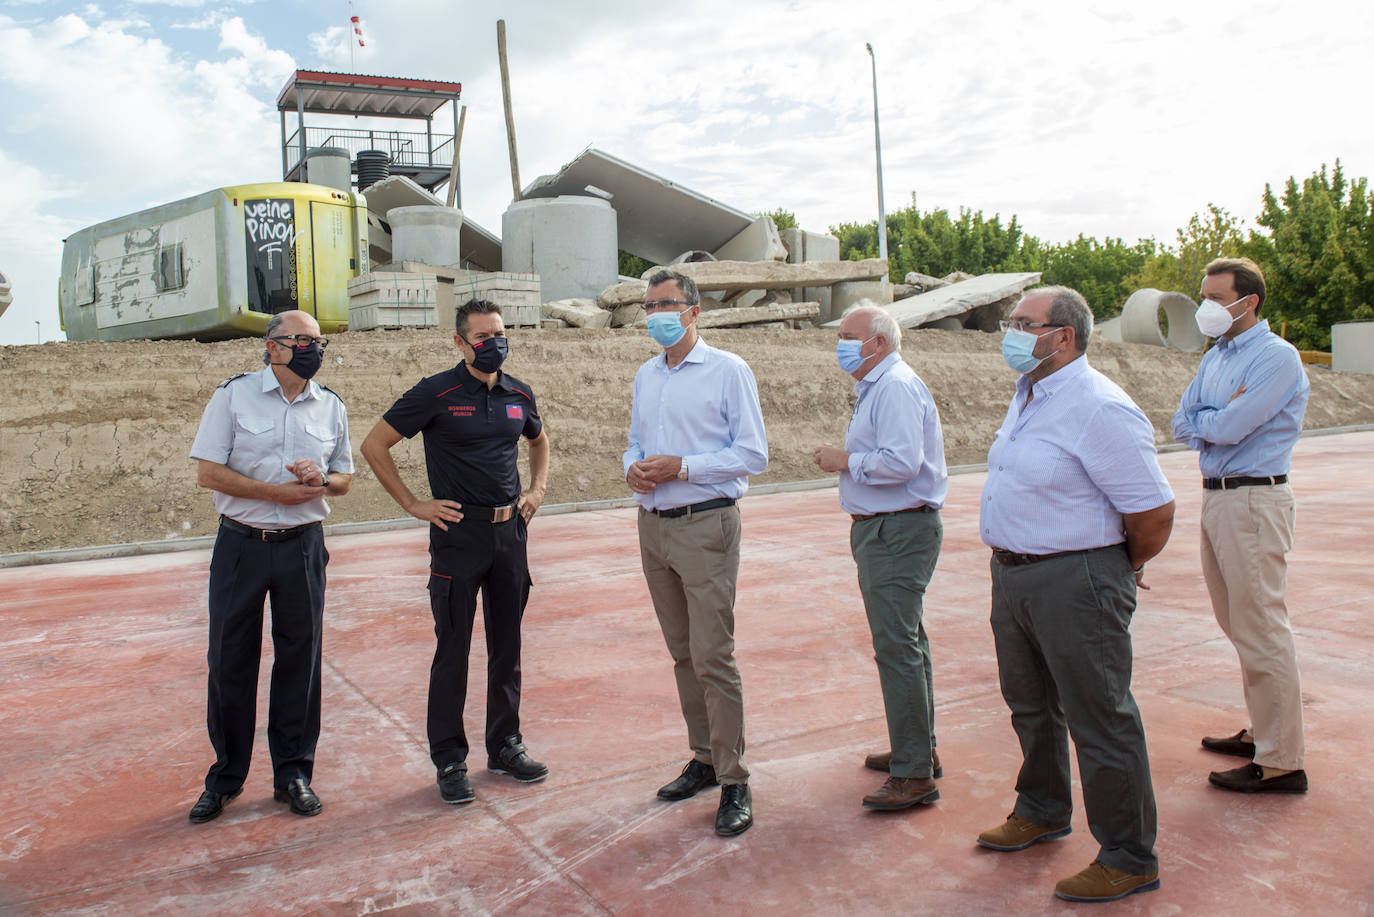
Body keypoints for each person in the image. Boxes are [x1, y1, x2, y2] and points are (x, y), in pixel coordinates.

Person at [977, 286, 1175, 903]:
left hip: (1076, 579)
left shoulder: (1098, 407)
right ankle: (1041, 807)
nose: (1010, 332)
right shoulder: (1030, 394)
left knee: (1101, 718)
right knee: (1030, 704)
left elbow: (1153, 511)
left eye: (1023, 323)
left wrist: (1117, 567)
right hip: (1013, 575)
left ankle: (1128, 854)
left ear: (1062, 336)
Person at [360, 299, 550, 806]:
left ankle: (506, 745)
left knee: (507, 648)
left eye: (501, 334)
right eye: (484, 337)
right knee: (454, 650)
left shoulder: (519, 393)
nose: (495, 344)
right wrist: (412, 504)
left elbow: (539, 440)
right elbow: (374, 445)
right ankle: (449, 758)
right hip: (457, 535)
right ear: (460, 342)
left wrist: (537, 490)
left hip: (510, 535)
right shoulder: (436, 393)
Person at [187, 310, 354, 823]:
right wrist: (276, 493)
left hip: (303, 546)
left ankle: (294, 774)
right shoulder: (233, 396)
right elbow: (208, 473)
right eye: (303, 340)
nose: (314, 350)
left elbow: (345, 478)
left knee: (300, 661)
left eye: (318, 342)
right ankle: (226, 777)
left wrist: (320, 479)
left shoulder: (330, 407)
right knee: (230, 660)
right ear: (274, 346)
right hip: (241, 545)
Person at [624, 269, 768, 837]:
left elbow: (753, 454)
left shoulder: (728, 371)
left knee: (713, 656)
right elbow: (636, 439)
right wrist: (633, 467)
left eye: (667, 304)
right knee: (683, 654)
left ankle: (735, 779)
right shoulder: (646, 375)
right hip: (654, 525)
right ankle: (705, 758)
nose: (657, 313)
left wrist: (684, 467)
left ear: (693, 311)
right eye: (649, 305)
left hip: (706, 526)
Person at [1172, 257, 1310, 794]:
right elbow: (1184, 419)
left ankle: (1281, 761)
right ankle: (1263, 731)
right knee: (1239, 623)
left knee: (1262, 628)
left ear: (1247, 301)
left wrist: (1211, 421)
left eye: (1214, 297)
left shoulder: (1277, 358)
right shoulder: (1217, 356)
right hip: (1219, 500)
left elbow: (1229, 426)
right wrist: (1212, 419)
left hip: (1254, 500)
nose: (1205, 306)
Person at [811, 303, 947, 811]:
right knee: (908, 642)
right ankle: (918, 749)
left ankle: (913, 773)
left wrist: (843, 461)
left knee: (898, 648)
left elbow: (901, 462)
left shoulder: (893, 386)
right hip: (891, 530)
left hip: (897, 531)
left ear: (880, 343)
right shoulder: (881, 385)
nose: (841, 343)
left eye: (850, 335)